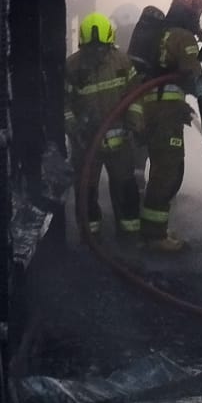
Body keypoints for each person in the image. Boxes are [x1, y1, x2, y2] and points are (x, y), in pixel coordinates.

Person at [139, 0, 202, 253]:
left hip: (156, 107)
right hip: (164, 112)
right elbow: (193, 78)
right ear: (190, 10)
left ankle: (154, 230)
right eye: (198, 12)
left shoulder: (164, 33)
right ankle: (154, 236)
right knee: (167, 171)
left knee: (164, 168)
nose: (199, 18)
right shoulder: (183, 37)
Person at [63, 12, 143, 240]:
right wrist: (74, 127)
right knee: (86, 191)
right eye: (92, 48)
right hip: (87, 145)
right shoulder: (72, 67)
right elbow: (63, 104)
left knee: (126, 188)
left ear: (109, 42)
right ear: (83, 45)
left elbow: (135, 95)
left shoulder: (122, 62)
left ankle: (129, 235)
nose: (97, 52)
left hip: (120, 144)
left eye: (101, 48)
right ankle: (91, 237)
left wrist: (134, 123)